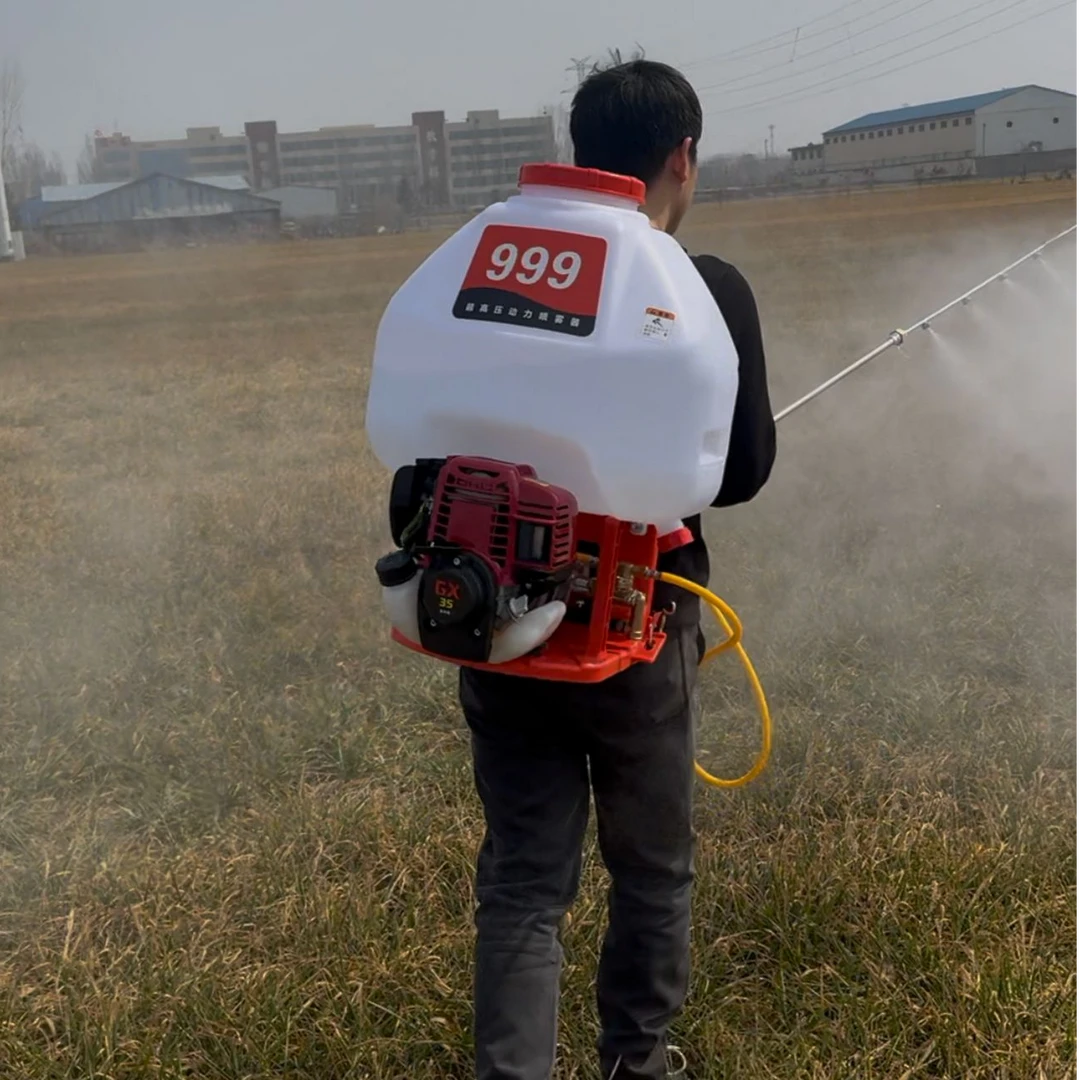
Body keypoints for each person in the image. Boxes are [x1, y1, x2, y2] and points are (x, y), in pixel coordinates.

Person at [458, 59, 777, 1080]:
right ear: (681, 157)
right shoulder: (702, 284)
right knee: (651, 868)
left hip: (497, 612)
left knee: (521, 880)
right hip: (640, 624)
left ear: (580, 150)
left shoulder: (497, 270)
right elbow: (742, 473)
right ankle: (635, 1063)